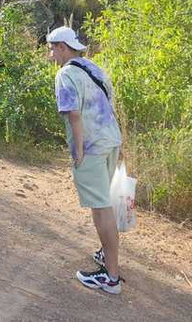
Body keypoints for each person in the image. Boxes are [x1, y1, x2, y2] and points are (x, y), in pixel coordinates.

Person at [47, 26, 125, 295]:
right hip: (110, 139)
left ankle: (111, 278)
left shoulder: (65, 74)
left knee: (101, 207)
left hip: (91, 146)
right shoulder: (94, 67)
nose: (51, 53)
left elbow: (74, 115)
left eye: (52, 47)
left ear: (62, 47)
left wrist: (78, 150)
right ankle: (107, 255)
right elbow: (108, 102)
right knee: (104, 203)